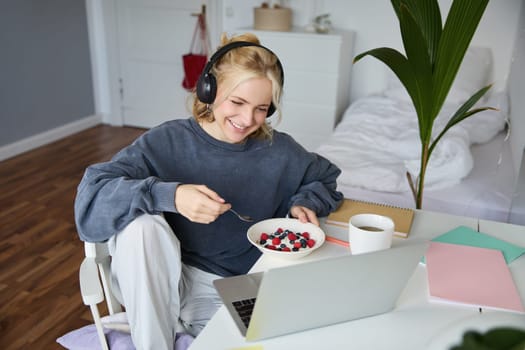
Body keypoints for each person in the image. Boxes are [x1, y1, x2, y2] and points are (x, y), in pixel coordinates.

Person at [74, 32, 343, 349]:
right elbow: (91, 199)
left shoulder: (280, 151)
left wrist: (304, 202)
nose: (247, 119)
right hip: (161, 282)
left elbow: (325, 178)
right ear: (209, 90)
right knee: (142, 227)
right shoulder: (167, 141)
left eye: (261, 108)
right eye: (238, 102)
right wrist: (170, 195)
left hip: (231, 289)